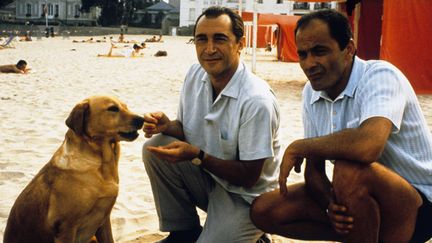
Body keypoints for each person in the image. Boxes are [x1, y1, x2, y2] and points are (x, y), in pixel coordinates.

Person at [250, 9, 432, 243]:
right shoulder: (311, 93)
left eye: (320, 51)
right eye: (302, 54)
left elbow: (368, 146)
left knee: (349, 169)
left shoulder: (380, 76)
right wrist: (330, 206)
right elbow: (314, 172)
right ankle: (360, 232)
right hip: (359, 198)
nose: (309, 64)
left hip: (418, 205)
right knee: (264, 209)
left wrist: (300, 146)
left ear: (349, 49)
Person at [142, 6, 281, 243]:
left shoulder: (257, 100)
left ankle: (256, 235)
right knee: (156, 148)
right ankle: (183, 232)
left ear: (240, 44)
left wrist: (198, 156)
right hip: (209, 176)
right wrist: (167, 127)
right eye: (201, 39)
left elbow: (249, 177)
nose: (209, 49)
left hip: (247, 197)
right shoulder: (195, 74)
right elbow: (186, 130)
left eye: (220, 39)